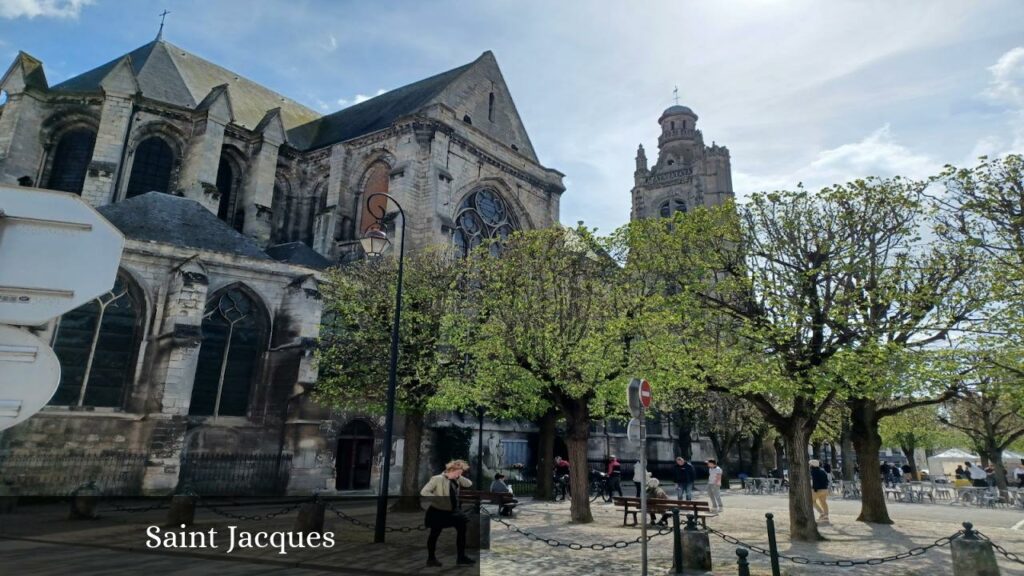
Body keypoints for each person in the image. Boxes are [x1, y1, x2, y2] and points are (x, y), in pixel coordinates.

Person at [420, 459, 475, 567]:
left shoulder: (457, 479)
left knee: (462, 529)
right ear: (451, 470)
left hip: (454, 511)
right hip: (438, 511)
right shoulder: (437, 479)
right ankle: (431, 559)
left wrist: (459, 476)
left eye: (461, 473)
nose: (460, 474)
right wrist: (437, 499)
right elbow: (424, 491)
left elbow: (469, 484)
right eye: (459, 472)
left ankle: (461, 557)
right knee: (434, 534)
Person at [810, 459, 830, 524]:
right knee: (823, 502)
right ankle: (826, 515)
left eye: (810, 464)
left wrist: (815, 489)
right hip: (825, 489)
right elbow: (827, 480)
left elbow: (815, 481)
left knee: (811, 501)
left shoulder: (814, 472)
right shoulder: (823, 471)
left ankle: (821, 513)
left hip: (818, 490)